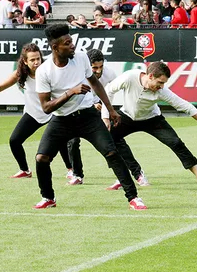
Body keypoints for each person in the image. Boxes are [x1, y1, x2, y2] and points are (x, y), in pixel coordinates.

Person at [32, 24, 146, 209]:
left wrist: (110, 109)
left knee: (111, 152)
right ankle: (48, 198)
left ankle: (133, 197)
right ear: (55, 47)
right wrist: (70, 93)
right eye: (67, 43)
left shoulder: (82, 58)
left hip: (87, 116)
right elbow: (46, 107)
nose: (72, 46)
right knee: (41, 158)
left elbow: (95, 83)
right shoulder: (43, 71)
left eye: (72, 41)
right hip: (62, 119)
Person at [100, 61, 197, 191]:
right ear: (150, 76)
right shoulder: (130, 77)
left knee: (176, 143)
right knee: (108, 139)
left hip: (153, 120)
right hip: (127, 116)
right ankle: (129, 175)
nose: (162, 86)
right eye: (160, 82)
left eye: (164, 83)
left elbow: (186, 106)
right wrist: (106, 117)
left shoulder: (162, 91)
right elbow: (108, 91)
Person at [0, 43, 73, 179]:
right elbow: (1, 87)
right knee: (14, 141)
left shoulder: (49, 71)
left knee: (61, 141)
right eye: (32, 60)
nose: (36, 62)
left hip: (52, 112)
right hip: (33, 113)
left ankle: (70, 169)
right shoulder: (20, 73)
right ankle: (25, 170)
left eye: (38, 59)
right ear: (25, 61)